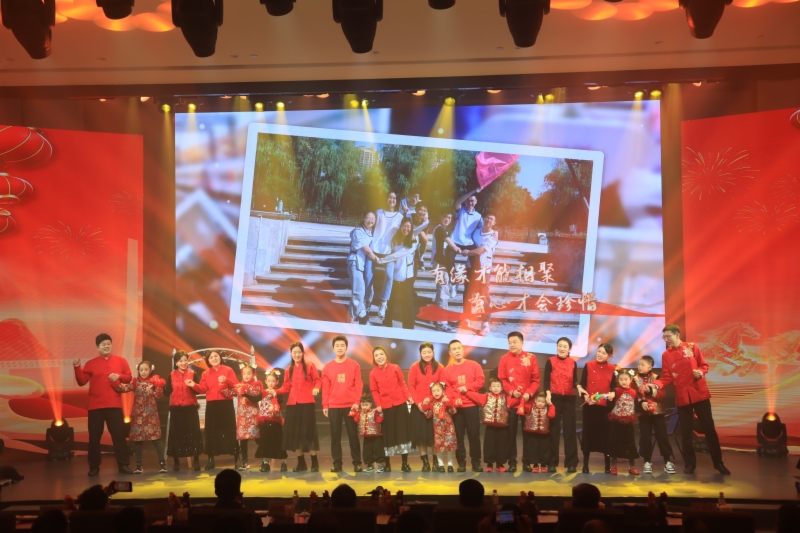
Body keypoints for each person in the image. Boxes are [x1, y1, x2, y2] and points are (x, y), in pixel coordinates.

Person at [652, 324, 729, 475]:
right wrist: (655, 385)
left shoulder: (692, 347)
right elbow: (667, 377)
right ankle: (689, 464)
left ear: (677, 335)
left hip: (699, 393)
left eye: (668, 336)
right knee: (686, 432)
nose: (666, 340)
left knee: (709, 429)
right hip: (682, 397)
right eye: (664, 337)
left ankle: (718, 463)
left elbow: (704, 365)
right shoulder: (666, 355)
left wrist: (700, 372)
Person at [72, 333, 133, 476]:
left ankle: (123, 465)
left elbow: (129, 377)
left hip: (115, 405)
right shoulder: (91, 363)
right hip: (95, 407)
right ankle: (94, 467)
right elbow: (81, 381)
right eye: (103, 344)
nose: (106, 346)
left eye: (108, 344)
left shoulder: (121, 361)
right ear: (97, 347)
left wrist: (119, 376)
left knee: (119, 437)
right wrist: (77, 367)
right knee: (94, 438)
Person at [186, 350, 238, 470]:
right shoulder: (205, 373)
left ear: (220, 357)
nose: (214, 358)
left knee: (229, 430)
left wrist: (226, 380)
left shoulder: (228, 370)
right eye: (211, 357)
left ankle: (236, 458)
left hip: (226, 404)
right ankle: (211, 459)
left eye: (216, 356)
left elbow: (236, 385)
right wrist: (193, 385)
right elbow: (203, 388)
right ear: (208, 361)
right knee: (211, 431)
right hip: (212, 405)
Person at [497, 331, 540, 473]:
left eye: (514, 342)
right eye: (509, 342)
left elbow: (536, 380)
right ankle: (512, 462)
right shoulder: (504, 359)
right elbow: (502, 379)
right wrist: (511, 391)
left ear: (522, 343)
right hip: (511, 402)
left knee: (527, 434)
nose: (512, 345)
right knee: (510, 434)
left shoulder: (531, 358)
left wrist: (529, 393)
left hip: (527, 402)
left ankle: (527, 462)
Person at [277, 341, 321, 472]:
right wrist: (275, 391)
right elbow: (286, 387)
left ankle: (314, 462)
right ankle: (301, 463)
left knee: (308, 433)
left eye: (299, 352)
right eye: (294, 352)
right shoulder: (288, 369)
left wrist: (316, 388)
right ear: (291, 353)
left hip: (307, 404)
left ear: (303, 353)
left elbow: (318, 380)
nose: (297, 355)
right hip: (292, 405)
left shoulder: (309, 366)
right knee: (295, 434)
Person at [115, 361, 166, 474]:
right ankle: (139, 466)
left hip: (151, 416)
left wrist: (157, 386)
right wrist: (114, 382)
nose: (143, 372)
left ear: (150, 370)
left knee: (156, 440)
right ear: (138, 370)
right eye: (141, 370)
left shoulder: (154, 381)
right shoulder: (135, 382)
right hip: (138, 416)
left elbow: (159, 395)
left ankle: (162, 465)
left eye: (146, 370)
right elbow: (123, 388)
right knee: (138, 441)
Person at [322, 335, 363, 473]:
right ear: (333, 348)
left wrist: (357, 402)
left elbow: (358, 385)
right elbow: (325, 388)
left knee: (353, 435)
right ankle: (337, 463)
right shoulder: (327, 367)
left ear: (346, 348)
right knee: (335, 435)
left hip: (350, 405)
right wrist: (325, 405)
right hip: (334, 405)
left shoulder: (354, 364)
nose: (340, 348)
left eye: (342, 345)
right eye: (337, 346)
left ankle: (357, 462)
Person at [442, 339, 485, 472]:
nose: (457, 351)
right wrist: (451, 400)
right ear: (450, 353)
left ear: (463, 349)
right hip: (456, 408)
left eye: (459, 348)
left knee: (474, 435)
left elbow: (480, 381)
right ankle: (461, 463)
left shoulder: (474, 365)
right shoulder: (447, 370)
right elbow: (447, 388)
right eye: (454, 349)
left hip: (471, 405)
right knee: (458, 436)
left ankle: (476, 462)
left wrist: (467, 387)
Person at [370, 345, 414, 472]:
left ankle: (404, 463)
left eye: (381, 354)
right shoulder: (373, 373)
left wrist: (408, 397)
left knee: (403, 433)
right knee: (387, 435)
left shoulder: (395, 368)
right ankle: (387, 464)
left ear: (386, 355)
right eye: (376, 355)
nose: (379, 357)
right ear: (374, 359)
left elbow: (402, 383)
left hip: (400, 404)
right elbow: (374, 391)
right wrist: (378, 404)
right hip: (385, 407)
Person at [577, 343, 615, 474]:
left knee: (606, 436)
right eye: (599, 351)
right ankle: (585, 465)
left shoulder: (612, 368)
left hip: (604, 408)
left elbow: (613, 387)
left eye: (604, 353)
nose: (600, 354)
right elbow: (582, 384)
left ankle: (607, 465)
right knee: (588, 435)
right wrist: (584, 395)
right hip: (590, 407)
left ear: (609, 356)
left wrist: (612, 393)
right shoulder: (588, 365)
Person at [543, 337, 579, 473]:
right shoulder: (550, 361)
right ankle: (551, 462)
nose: (562, 348)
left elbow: (575, 380)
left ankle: (571, 463)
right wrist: (548, 394)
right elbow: (546, 380)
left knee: (570, 431)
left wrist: (579, 387)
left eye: (565, 346)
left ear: (569, 349)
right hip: (554, 399)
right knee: (554, 431)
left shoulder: (573, 362)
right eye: (560, 345)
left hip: (569, 399)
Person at [634, 355, 675, 474]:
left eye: (642, 364)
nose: (639, 366)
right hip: (644, 413)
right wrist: (641, 402)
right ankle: (647, 461)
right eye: (639, 364)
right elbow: (633, 395)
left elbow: (662, 394)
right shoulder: (635, 379)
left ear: (650, 367)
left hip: (657, 412)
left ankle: (667, 461)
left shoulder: (657, 378)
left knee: (662, 436)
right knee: (645, 437)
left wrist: (651, 390)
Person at [164, 350, 204, 472]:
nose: (183, 363)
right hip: (177, 410)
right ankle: (176, 461)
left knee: (193, 434)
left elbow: (198, 390)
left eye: (185, 360)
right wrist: (159, 386)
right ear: (176, 362)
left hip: (190, 409)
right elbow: (167, 392)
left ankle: (196, 459)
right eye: (180, 361)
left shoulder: (193, 374)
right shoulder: (171, 375)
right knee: (176, 435)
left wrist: (193, 385)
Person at [466, 376, 517, 472]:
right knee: (489, 445)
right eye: (493, 386)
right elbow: (474, 396)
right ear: (490, 388)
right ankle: (489, 464)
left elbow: (516, 400)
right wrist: (465, 391)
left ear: (502, 388)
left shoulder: (506, 398)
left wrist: (520, 394)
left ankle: (500, 464)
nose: (496, 388)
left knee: (502, 445)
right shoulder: (485, 396)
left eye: (498, 386)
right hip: (490, 427)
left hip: (502, 427)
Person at [408, 342, 444, 472]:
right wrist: (418, 403)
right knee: (421, 437)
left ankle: (435, 461)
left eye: (429, 352)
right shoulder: (414, 367)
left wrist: (431, 400)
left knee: (434, 436)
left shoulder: (440, 367)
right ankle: (425, 462)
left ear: (433, 353)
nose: (427, 354)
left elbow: (442, 386)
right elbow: (411, 386)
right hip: (418, 408)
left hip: (435, 406)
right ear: (420, 354)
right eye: (424, 352)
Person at [367, 191, 403, 320]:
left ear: (396, 201)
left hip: (389, 251)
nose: (392, 200)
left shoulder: (400, 216)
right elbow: (370, 226)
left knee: (389, 275)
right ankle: (367, 301)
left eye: (394, 198)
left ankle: (383, 303)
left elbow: (405, 231)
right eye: (390, 197)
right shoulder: (379, 212)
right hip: (374, 249)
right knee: (368, 275)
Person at [378, 217, 419, 329]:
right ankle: (387, 322)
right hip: (395, 274)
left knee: (408, 302)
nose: (406, 229)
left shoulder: (414, 240)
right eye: (404, 226)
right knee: (391, 300)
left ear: (411, 228)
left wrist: (384, 259)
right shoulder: (395, 238)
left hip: (407, 275)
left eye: (408, 227)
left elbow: (400, 254)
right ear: (400, 226)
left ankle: (408, 327)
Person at [464, 212, 498, 336]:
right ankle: (466, 319)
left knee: (484, 296)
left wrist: (467, 252)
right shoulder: (476, 232)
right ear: (483, 219)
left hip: (484, 269)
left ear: (494, 222)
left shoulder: (493, 236)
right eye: (487, 218)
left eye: (491, 219)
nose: (489, 220)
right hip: (470, 267)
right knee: (468, 294)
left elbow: (480, 251)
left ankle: (485, 324)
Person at [429, 210, 461, 332]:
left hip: (442, 264)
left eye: (449, 217)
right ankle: (441, 323)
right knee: (443, 293)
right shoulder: (440, 229)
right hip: (439, 264)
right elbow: (451, 244)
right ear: (440, 217)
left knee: (443, 293)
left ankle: (441, 319)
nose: (447, 219)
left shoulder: (444, 229)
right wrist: (459, 250)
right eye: (445, 217)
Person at [451, 187, 484, 305]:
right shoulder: (461, 211)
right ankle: (454, 282)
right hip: (455, 240)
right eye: (468, 201)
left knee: (477, 262)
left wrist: (495, 232)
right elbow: (457, 202)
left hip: (468, 242)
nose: (470, 203)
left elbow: (485, 229)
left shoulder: (478, 216)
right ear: (465, 202)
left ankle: (473, 286)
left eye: (472, 201)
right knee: (448, 260)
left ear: (476, 202)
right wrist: (473, 191)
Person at [606, 369, 640, 475]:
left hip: (628, 422)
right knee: (614, 443)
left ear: (630, 380)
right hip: (616, 421)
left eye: (626, 379)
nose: (623, 381)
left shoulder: (634, 392)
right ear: (618, 380)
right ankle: (613, 466)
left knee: (630, 443)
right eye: (621, 379)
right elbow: (609, 405)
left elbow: (637, 406)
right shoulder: (615, 391)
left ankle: (632, 466)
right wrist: (609, 399)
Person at [347, 212, 378, 324]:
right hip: (355, 262)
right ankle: (352, 320)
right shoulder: (358, 231)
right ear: (363, 218)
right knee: (358, 292)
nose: (370, 220)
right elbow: (367, 250)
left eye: (373, 218)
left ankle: (353, 317)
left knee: (366, 292)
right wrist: (378, 260)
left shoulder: (371, 233)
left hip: (364, 266)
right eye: (368, 218)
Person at [255, 369, 288, 473]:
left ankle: (283, 463)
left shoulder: (278, 392)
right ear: (265, 381)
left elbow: (281, 401)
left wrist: (275, 394)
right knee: (265, 441)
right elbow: (254, 398)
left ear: (276, 382)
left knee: (279, 441)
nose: (271, 383)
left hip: (275, 421)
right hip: (264, 421)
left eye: (273, 381)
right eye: (269, 381)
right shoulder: (263, 392)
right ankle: (265, 463)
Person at [233, 364, 263, 471]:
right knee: (243, 440)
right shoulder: (239, 385)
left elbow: (256, 395)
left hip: (253, 415)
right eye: (244, 373)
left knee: (258, 438)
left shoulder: (257, 384)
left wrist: (245, 390)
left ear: (253, 374)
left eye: (248, 373)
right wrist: (223, 385)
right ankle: (244, 461)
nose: (246, 375)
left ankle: (264, 459)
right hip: (242, 416)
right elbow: (230, 392)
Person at [520, 392, 556, 472]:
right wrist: (523, 400)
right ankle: (535, 464)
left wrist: (550, 404)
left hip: (544, 434)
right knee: (534, 449)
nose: (540, 403)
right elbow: (522, 407)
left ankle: (543, 464)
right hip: (533, 433)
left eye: (543, 402)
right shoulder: (530, 407)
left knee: (544, 450)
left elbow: (552, 415)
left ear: (545, 402)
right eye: (539, 401)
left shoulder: (547, 408)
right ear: (535, 400)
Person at [426, 381, 457, 472]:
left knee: (450, 447)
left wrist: (448, 403)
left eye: (438, 390)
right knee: (439, 448)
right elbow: (428, 414)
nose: (436, 393)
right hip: (438, 430)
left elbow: (453, 411)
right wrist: (425, 404)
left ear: (443, 391)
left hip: (448, 428)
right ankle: (441, 465)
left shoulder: (446, 400)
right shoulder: (432, 403)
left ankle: (450, 465)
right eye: (433, 391)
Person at [350, 393, 385, 472]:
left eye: (366, 405)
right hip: (366, 436)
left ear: (370, 404)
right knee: (367, 451)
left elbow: (379, 420)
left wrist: (380, 413)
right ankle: (370, 465)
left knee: (378, 450)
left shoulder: (375, 412)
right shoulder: (360, 413)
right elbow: (356, 420)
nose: (364, 407)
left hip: (376, 435)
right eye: (363, 405)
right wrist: (354, 411)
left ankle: (381, 464)